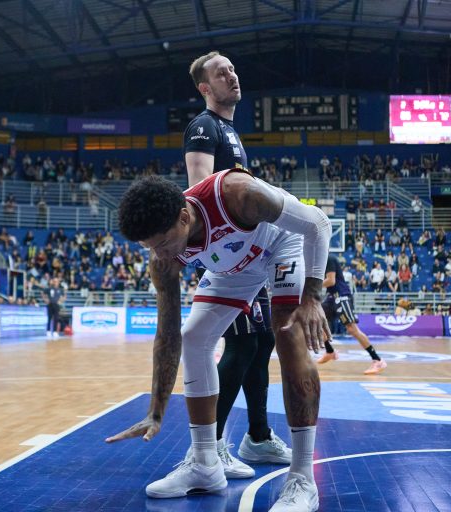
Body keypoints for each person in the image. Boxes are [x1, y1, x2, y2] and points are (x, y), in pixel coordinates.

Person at [107, 170, 331, 512]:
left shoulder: (239, 195)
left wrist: (312, 297)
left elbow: (317, 222)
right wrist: (155, 411)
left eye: (163, 243)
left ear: (184, 217)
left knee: (287, 331)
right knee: (193, 336)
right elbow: (167, 335)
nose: (161, 255)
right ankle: (205, 463)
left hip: (280, 245)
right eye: (150, 247)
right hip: (234, 267)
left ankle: (302, 479)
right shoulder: (161, 256)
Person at [177, 50, 291, 480]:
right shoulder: (204, 127)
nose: (232, 75)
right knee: (242, 346)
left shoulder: (229, 129)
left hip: (250, 255)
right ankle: (213, 447)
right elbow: (199, 193)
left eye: (233, 68)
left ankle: (257, 437)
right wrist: (229, 253)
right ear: (205, 88)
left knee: (261, 342)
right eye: (221, 72)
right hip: (230, 258)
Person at [318, 254, 387, 375]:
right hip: (331, 297)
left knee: (352, 329)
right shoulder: (319, 261)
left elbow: (331, 280)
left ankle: (378, 360)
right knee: (317, 320)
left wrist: (313, 285)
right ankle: (330, 351)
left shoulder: (329, 258)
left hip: (341, 296)